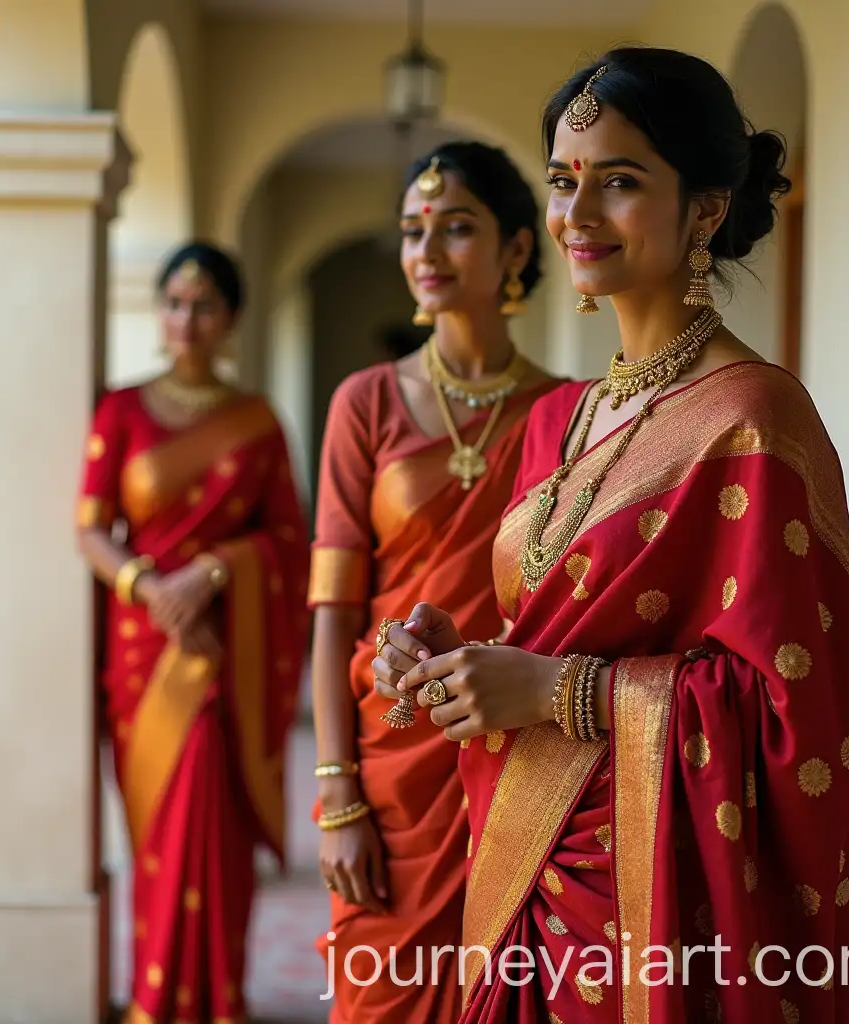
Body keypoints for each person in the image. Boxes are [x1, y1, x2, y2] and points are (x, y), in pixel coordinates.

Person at [375, 48, 849, 1024]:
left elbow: (796, 713)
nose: (577, 213)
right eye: (564, 180)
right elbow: (545, 632)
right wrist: (452, 662)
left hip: (661, 900)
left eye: (621, 181)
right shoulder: (560, 419)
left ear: (704, 209)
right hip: (525, 862)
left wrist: (557, 690)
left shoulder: (755, 420)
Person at [308, 141, 560, 1023]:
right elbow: (333, 616)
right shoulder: (366, 404)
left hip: (515, 749)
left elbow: (568, 606)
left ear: (517, 251)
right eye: (415, 230)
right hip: (391, 756)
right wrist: (337, 789)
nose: (426, 251)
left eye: (457, 228)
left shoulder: (566, 415)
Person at [76, 242, 309, 1024]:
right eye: (175, 301)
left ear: (232, 318)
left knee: (211, 818)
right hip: (144, 651)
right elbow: (91, 531)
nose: (187, 318)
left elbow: (289, 540)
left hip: (222, 652)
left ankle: (217, 998)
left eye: (204, 304)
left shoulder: (256, 423)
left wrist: (210, 574)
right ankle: (153, 999)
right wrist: (148, 585)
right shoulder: (120, 410)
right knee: (154, 828)